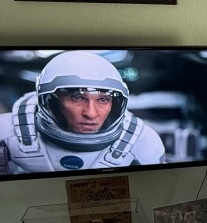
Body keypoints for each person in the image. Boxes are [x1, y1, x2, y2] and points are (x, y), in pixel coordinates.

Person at [0, 50, 166, 174]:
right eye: (77, 98)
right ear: (50, 101)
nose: (91, 114)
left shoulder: (143, 143)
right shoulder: (6, 133)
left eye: (103, 100)